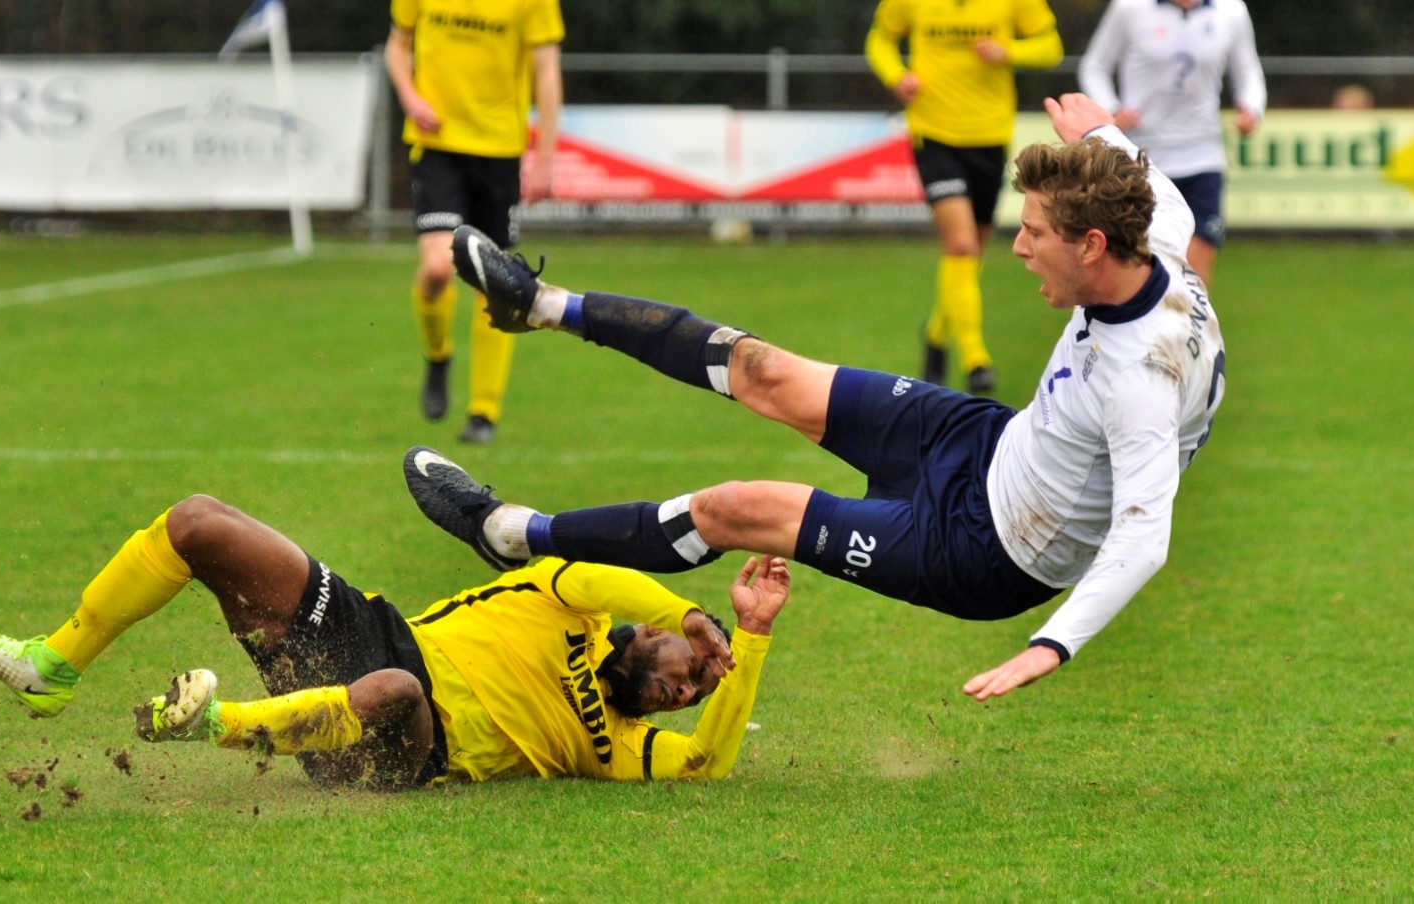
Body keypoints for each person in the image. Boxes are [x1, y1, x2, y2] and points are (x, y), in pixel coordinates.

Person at [411, 93, 1226, 703]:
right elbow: (1136, 171)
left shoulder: (1139, 381)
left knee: (735, 506)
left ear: (1090, 245)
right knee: (763, 369)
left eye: (1035, 234)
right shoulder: (1153, 225)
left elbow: (1141, 538)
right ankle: (541, 307)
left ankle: (512, 535)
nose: (1015, 247)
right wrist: (1092, 133)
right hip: (984, 443)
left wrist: (1049, 646)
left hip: (985, 550)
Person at [0, 494, 790, 788]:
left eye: (694, 698)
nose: (688, 692)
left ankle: (210, 722)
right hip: (372, 633)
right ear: (652, 633)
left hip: (408, 752)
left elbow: (705, 765)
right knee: (198, 525)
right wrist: (693, 614)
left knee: (397, 692)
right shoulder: (569, 599)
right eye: (690, 674)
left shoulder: (618, 748)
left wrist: (745, 642)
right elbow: (604, 578)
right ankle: (51, 666)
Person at [385, 0, 564, 444]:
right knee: (436, 270)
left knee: (497, 286)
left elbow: (546, 70)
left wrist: (544, 157)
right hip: (437, 143)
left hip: (500, 151)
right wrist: (410, 97)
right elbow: (396, 46)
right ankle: (438, 354)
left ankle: (484, 412)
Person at [865, 0, 1064, 395]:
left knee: (971, 256)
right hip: (933, 131)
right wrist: (896, 75)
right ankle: (976, 358)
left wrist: (1010, 51)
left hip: (989, 135)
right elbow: (879, 39)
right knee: (960, 244)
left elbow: (1051, 46)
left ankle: (937, 334)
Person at [1078, 0, 1265, 289]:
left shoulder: (1232, 10)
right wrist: (1112, 109)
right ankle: (1118, 334)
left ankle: (1188, 335)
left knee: (1194, 269)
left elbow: (1248, 71)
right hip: (1138, 159)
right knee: (1124, 266)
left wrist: (1252, 108)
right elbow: (1094, 66)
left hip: (1202, 157)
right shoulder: (1129, 8)